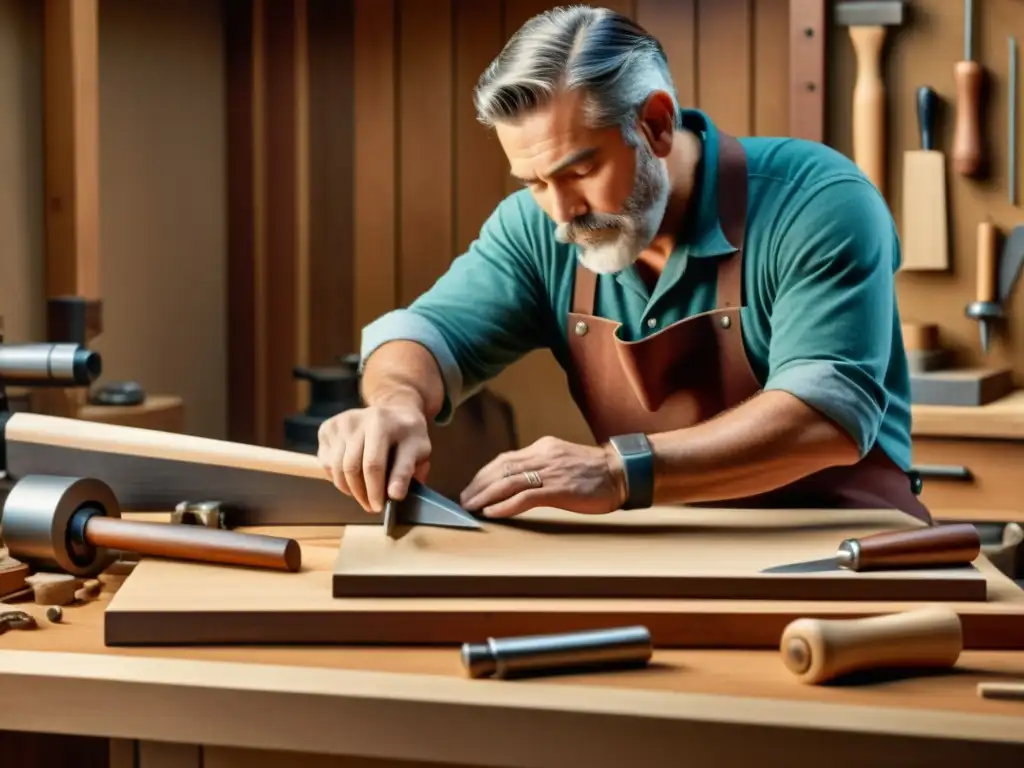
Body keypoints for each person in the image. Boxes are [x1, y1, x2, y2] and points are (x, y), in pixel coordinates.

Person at [317, 5, 930, 524]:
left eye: (580, 171)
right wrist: (396, 401)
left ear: (656, 125)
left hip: (846, 548)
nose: (560, 214)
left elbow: (824, 417)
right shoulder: (538, 229)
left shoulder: (816, 201)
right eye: (533, 182)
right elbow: (427, 334)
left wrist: (617, 469)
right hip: (665, 551)